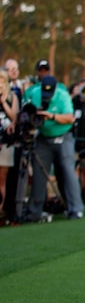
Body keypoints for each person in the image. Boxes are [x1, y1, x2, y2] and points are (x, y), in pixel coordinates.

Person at [23, 71, 83, 221]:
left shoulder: (63, 96)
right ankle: (35, 211)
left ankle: (75, 208)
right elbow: (26, 112)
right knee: (38, 172)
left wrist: (52, 116)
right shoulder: (35, 93)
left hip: (63, 136)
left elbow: (70, 118)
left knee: (68, 170)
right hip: (43, 137)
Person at [0, 69, 20, 220]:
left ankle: (1, 210)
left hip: (6, 143)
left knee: (2, 178)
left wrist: (2, 102)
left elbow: (15, 116)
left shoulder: (12, 96)